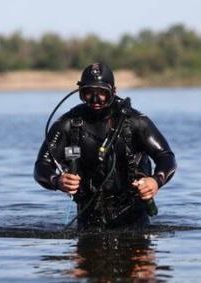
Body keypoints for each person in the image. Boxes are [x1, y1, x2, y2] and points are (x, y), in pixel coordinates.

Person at [34, 63, 176, 231]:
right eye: (88, 93)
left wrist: (156, 181)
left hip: (134, 215)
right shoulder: (67, 124)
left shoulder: (136, 122)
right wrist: (57, 181)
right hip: (88, 216)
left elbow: (166, 157)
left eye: (102, 93)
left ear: (113, 92)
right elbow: (41, 167)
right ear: (80, 93)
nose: (95, 100)